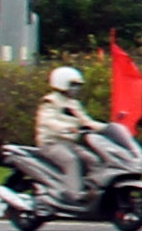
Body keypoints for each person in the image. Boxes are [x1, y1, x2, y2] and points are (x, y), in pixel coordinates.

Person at [32, 65, 103, 205]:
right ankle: (74, 195)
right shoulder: (50, 101)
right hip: (52, 143)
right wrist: (66, 127)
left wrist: (107, 128)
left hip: (70, 144)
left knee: (93, 160)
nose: (76, 89)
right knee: (71, 160)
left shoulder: (74, 104)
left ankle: (94, 192)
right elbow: (47, 120)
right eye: (73, 85)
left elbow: (86, 121)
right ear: (62, 83)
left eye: (77, 86)